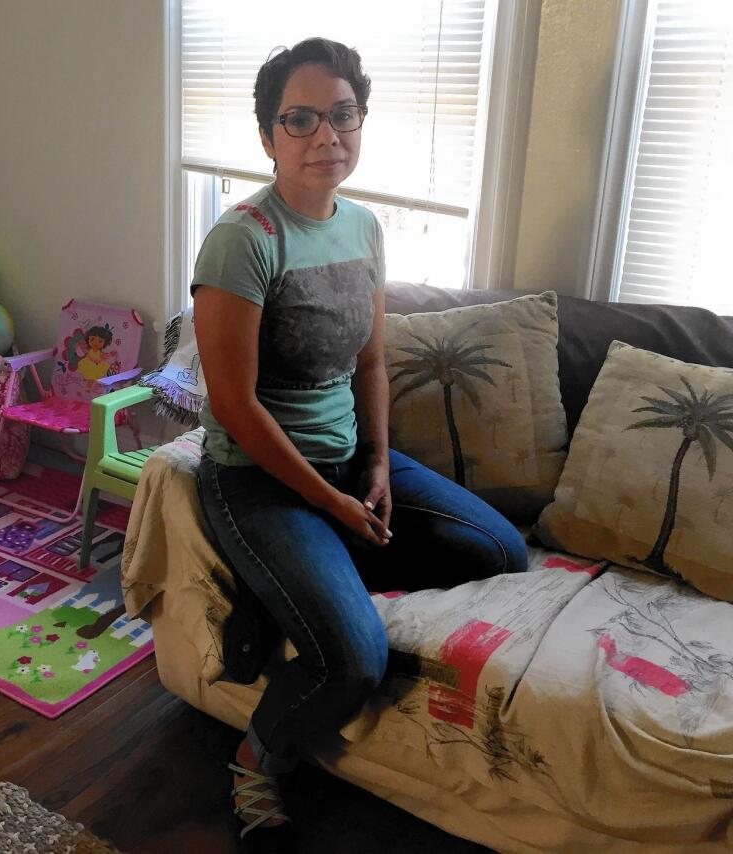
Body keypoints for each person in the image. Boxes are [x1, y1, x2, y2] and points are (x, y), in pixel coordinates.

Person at [191, 37, 527, 851]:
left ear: (361, 122)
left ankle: (295, 582)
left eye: (341, 115)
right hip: (257, 482)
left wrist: (375, 463)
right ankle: (255, 759)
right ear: (269, 136)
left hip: (345, 467)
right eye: (299, 119)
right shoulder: (243, 240)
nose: (324, 136)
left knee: (501, 550)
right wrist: (328, 500)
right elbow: (233, 407)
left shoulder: (364, 227)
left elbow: (372, 360)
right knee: (352, 662)